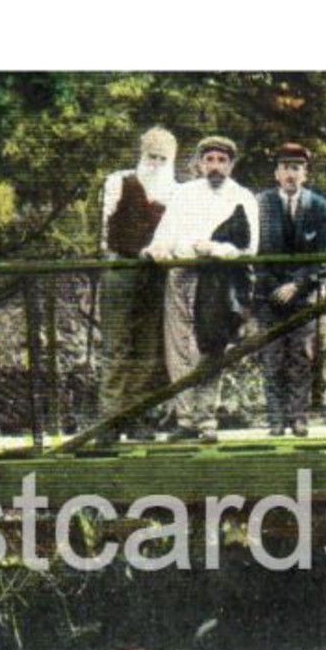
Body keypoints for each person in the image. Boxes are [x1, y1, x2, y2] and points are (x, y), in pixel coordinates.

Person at [143, 135, 259, 442]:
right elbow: (164, 235)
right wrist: (156, 249)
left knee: (209, 347)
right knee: (178, 347)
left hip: (217, 280)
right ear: (199, 163)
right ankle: (184, 419)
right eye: (210, 160)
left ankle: (206, 419)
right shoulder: (184, 194)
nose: (215, 167)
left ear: (232, 164)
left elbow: (249, 247)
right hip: (181, 274)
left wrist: (214, 248)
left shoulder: (243, 197)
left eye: (222, 161)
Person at [252, 142, 326, 437]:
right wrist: (274, 286)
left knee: (302, 356)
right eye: (285, 167)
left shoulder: (319, 206)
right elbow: (254, 252)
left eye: (296, 168)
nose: (291, 174)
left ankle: (299, 417)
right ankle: (275, 419)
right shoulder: (260, 204)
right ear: (276, 173)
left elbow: (323, 256)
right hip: (269, 295)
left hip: (303, 295)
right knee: (272, 357)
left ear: (305, 173)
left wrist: (298, 284)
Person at [98, 127, 179, 437]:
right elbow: (106, 227)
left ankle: (136, 417)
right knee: (116, 344)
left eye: (162, 157)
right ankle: (109, 418)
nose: (156, 162)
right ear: (141, 154)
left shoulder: (175, 190)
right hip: (121, 267)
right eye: (151, 156)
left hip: (156, 273)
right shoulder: (119, 181)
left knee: (148, 346)